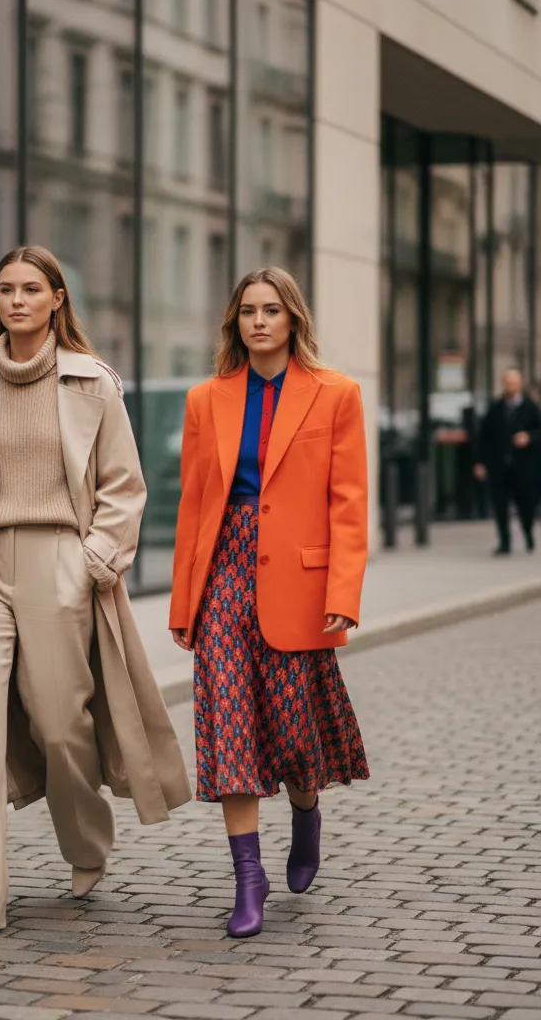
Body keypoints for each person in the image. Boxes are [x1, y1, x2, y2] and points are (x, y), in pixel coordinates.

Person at [0, 245, 190, 942]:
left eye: (32, 288)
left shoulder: (92, 384)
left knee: (62, 724)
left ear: (57, 298)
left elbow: (124, 485)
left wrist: (93, 557)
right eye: (6, 289)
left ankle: (87, 838)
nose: (17, 300)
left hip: (60, 562)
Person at [170, 266, 370, 938]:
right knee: (227, 717)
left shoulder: (336, 394)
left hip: (298, 580)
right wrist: (184, 602)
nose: (259, 321)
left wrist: (343, 591)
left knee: (292, 733)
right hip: (225, 567)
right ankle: (247, 879)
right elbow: (194, 505)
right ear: (236, 322)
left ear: (293, 321)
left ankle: (306, 813)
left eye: (272, 311)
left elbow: (348, 502)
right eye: (248, 311)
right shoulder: (206, 399)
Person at [473, 368, 540, 554]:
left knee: (525, 506)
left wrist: (529, 437)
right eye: (507, 383)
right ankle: (505, 542)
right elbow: (483, 437)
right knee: (500, 505)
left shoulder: (530, 408)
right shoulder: (495, 408)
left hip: (524, 468)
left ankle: (528, 532)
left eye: (514, 383)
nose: (510, 387)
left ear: (520, 384)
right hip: (499, 467)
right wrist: (479, 462)